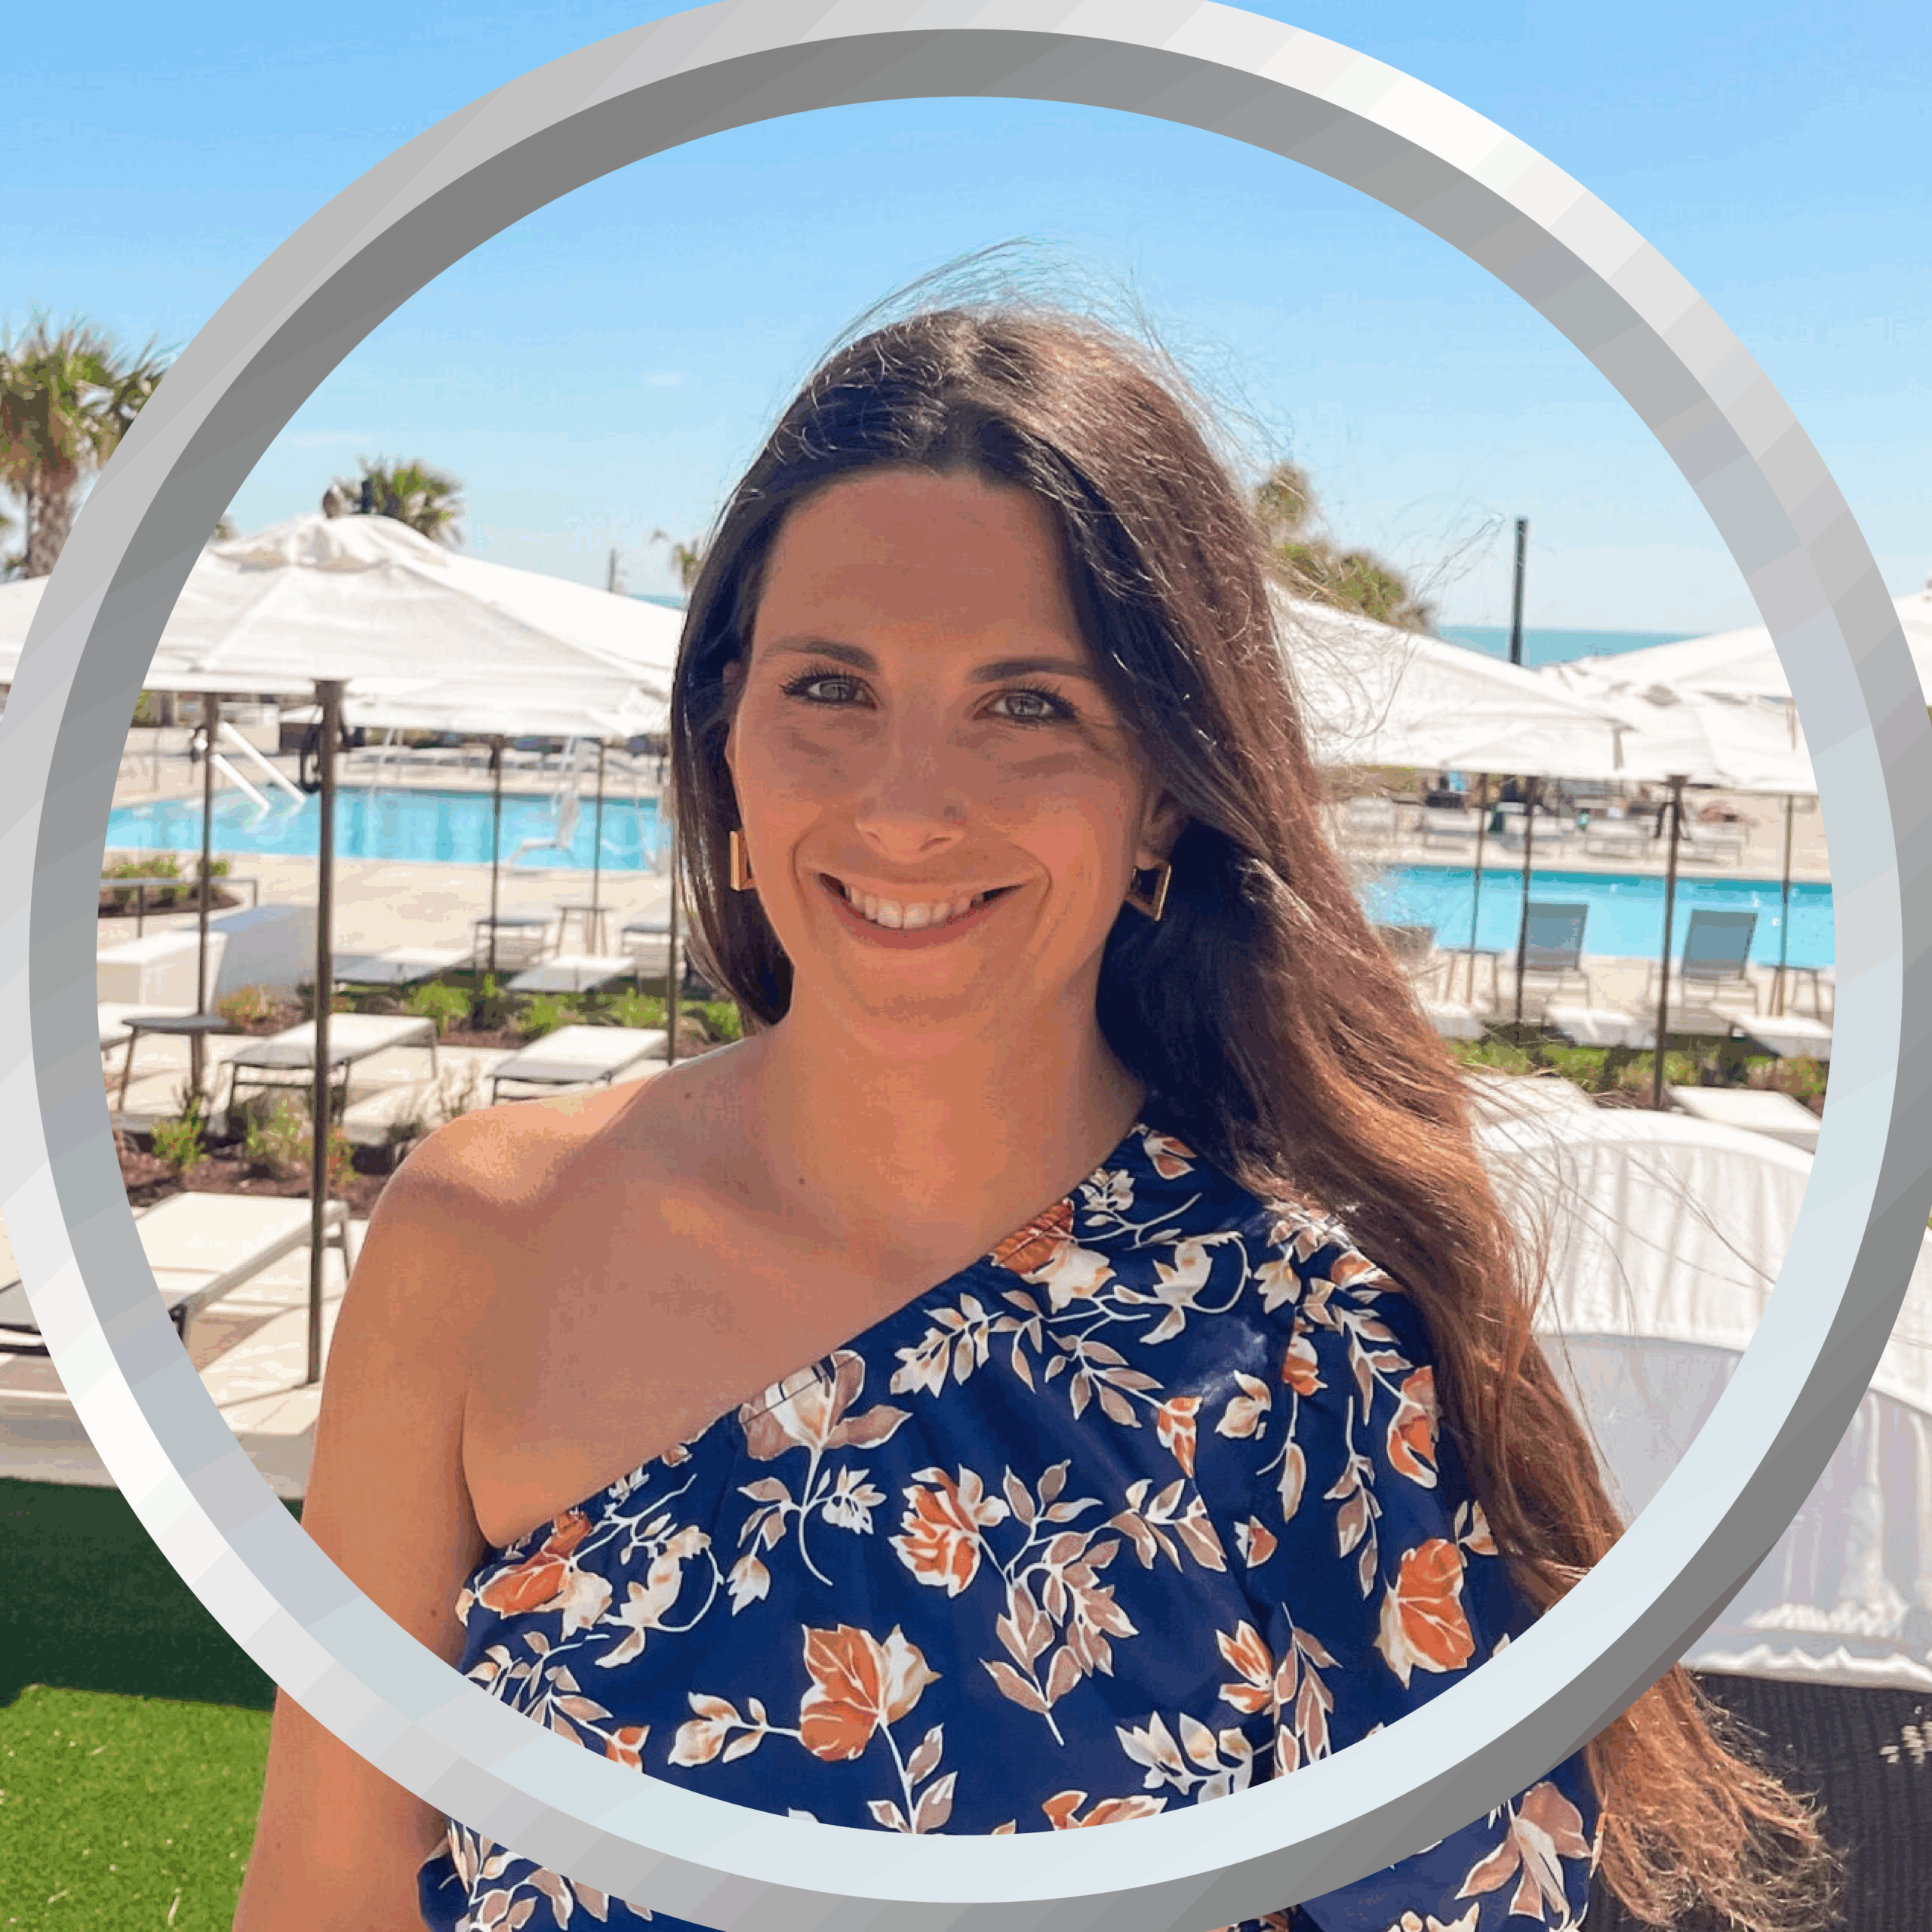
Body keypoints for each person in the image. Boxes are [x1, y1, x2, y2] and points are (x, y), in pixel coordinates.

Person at [231, 306, 1839, 1932]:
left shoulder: (1305, 1350)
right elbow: (329, 1872)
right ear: (725, 735)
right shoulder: (475, 1237)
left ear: (1160, 794)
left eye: (1027, 706)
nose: (907, 804)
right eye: (830, 686)